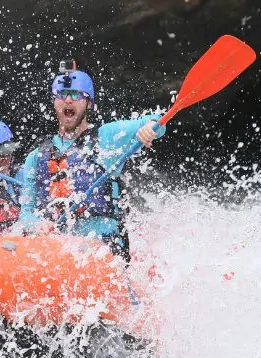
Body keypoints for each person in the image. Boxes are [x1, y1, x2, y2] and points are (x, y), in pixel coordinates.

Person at [19, 60, 165, 261]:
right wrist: (36, 225)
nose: (68, 100)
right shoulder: (36, 157)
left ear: (89, 103)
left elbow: (159, 121)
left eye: (77, 95)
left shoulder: (108, 137)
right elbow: (25, 214)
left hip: (104, 247)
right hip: (59, 252)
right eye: (62, 95)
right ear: (54, 102)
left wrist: (150, 128)